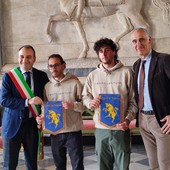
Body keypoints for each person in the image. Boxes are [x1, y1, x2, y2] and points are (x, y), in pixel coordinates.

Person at [82, 38, 137, 170]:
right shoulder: (93, 75)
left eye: (107, 50)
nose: (104, 53)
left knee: (123, 166)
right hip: (101, 129)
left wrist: (128, 119)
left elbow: (134, 100)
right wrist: (90, 102)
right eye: (100, 51)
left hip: (121, 129)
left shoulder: (126, 73)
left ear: (114, 52)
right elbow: (85, 96)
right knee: (103, 166)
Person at [0, 45, 49, 170]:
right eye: (21, 57)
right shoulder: (9, 76)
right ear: (18, 58)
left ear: (34, 58)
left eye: (28, 57)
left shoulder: (42, 76)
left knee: (32, 165)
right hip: (12, 125)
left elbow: (47, 98)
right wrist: (28, 101)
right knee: (9, 165)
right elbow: (4, 100)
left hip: (32, 125)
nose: (24, 60)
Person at [36, 54, 84, 170]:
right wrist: (42, 118)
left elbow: (85, 106)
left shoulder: (75, 83)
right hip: (55, 132)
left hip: (73, 131)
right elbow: (45, 108)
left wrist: (73, 105)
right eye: (50, 66)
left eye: (56, 65)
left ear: (63, 65)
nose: (53, 69)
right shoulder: (47, 87)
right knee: (59, 166)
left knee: (77, 165)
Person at [131, 28, 170, 170]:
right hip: (143, 120)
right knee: (154, 165)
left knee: (165, 164)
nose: (138, 44)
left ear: (149, 40)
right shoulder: (136, 65)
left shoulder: (164, 60)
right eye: (134, 41)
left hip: (161, 121)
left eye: (141, 39)